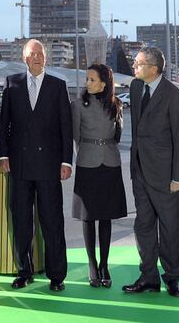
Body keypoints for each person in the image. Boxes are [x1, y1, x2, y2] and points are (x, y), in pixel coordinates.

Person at [0, 38, 73, 292]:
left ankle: (56, 275)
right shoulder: (12, 84)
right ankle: (24, 271)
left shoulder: (57, 86)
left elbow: (66, 126)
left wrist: (66, 160)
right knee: (21, 220)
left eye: (40, 54)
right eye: (32, 54)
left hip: (50, 166)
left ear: (46, 58)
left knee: (52, 221)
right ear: (24, 58)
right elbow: (4, 123)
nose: (37, 58)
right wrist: (3, 155)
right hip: (18, 165)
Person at [122, 47, 179, 298]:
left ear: (153, 68)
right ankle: (149, 276)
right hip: (139, 170)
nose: (134, 67)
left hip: (165, 176)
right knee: (143, 226)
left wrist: (178, 177)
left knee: (170, 229)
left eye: (138, 64)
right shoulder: (135, 87)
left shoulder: (174, 95)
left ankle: (172, 278)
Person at [71, 64, 127, 288]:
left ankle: (104, 264)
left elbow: (118, 135)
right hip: (87, 163)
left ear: (104, 83)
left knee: (106, 216)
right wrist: (83, 156)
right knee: (89, 216)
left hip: (111, 163)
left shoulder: (117, 105)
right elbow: (74, 137)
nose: (88, 83)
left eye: (92, 79)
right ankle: (92, 264)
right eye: (87, 79)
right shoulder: (77, 105)